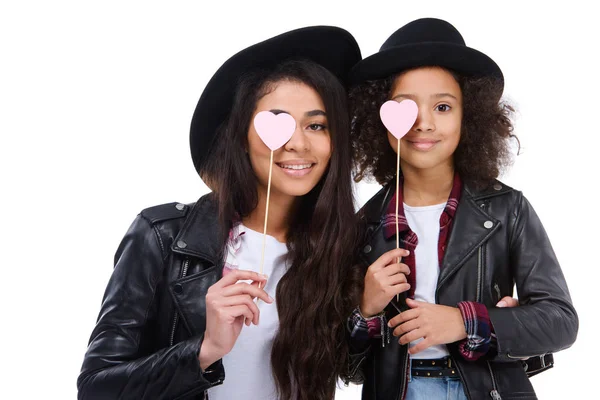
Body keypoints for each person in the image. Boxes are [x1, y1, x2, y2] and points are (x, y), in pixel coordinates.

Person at [77, 26, 362, 400]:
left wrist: (366, 315)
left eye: (316, 125)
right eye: (278, 123)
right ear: (241, 138)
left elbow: (351, 371)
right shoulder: (162, 235)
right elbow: (96, 387)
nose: (297, 143)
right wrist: (205, 349)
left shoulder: (339, 247)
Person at [343, 18, 577, 400]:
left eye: (443, 106)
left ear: (468, 118)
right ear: (380, 121)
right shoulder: (363, 225)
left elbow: (561, 322)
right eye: (405, 108)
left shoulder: (508, 209)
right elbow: (340, 364)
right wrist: (365, 310)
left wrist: (465, 321)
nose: (423, 123)